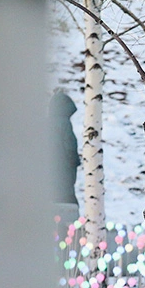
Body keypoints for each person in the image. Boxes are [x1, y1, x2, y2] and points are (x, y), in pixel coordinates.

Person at [50, 91, 80, 225]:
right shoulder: (64, 123)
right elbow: (70, 145)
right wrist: (74, 159)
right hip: (64, 166)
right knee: (66, 187)